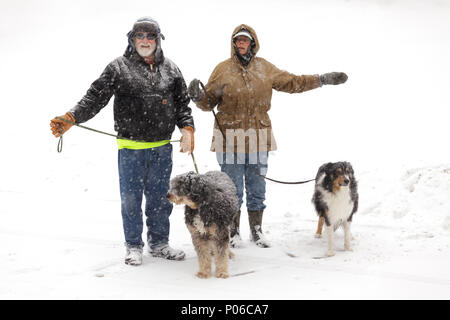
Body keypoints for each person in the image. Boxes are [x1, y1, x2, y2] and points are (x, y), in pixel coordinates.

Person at [50, 17, 195, 265]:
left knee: (161, 199)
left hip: (161, 149)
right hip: (130, 150)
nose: (145, 41)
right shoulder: (118, 68)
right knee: (131, 200)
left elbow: (182, 104)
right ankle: (134, 246)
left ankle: (159, 243)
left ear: (158, 39)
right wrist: (71, 117)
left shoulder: (171, 69)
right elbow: (94, 98)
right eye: (140, 35)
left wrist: (188, 129)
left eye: (151, 36)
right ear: (132, 39)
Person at [187, 24, 347, 248]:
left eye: (245, 40)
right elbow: (208, 102)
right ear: (233, 44)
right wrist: (198, 96)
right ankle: (233, 232)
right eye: (238, 40)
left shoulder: (265, 68)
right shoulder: (222, 69)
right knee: (232, 188)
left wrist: (321, 79)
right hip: (228, 137)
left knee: (257, 187)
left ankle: (256, 230)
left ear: (253, 43)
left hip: (258, 136)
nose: (241, 43)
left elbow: (293, 82)